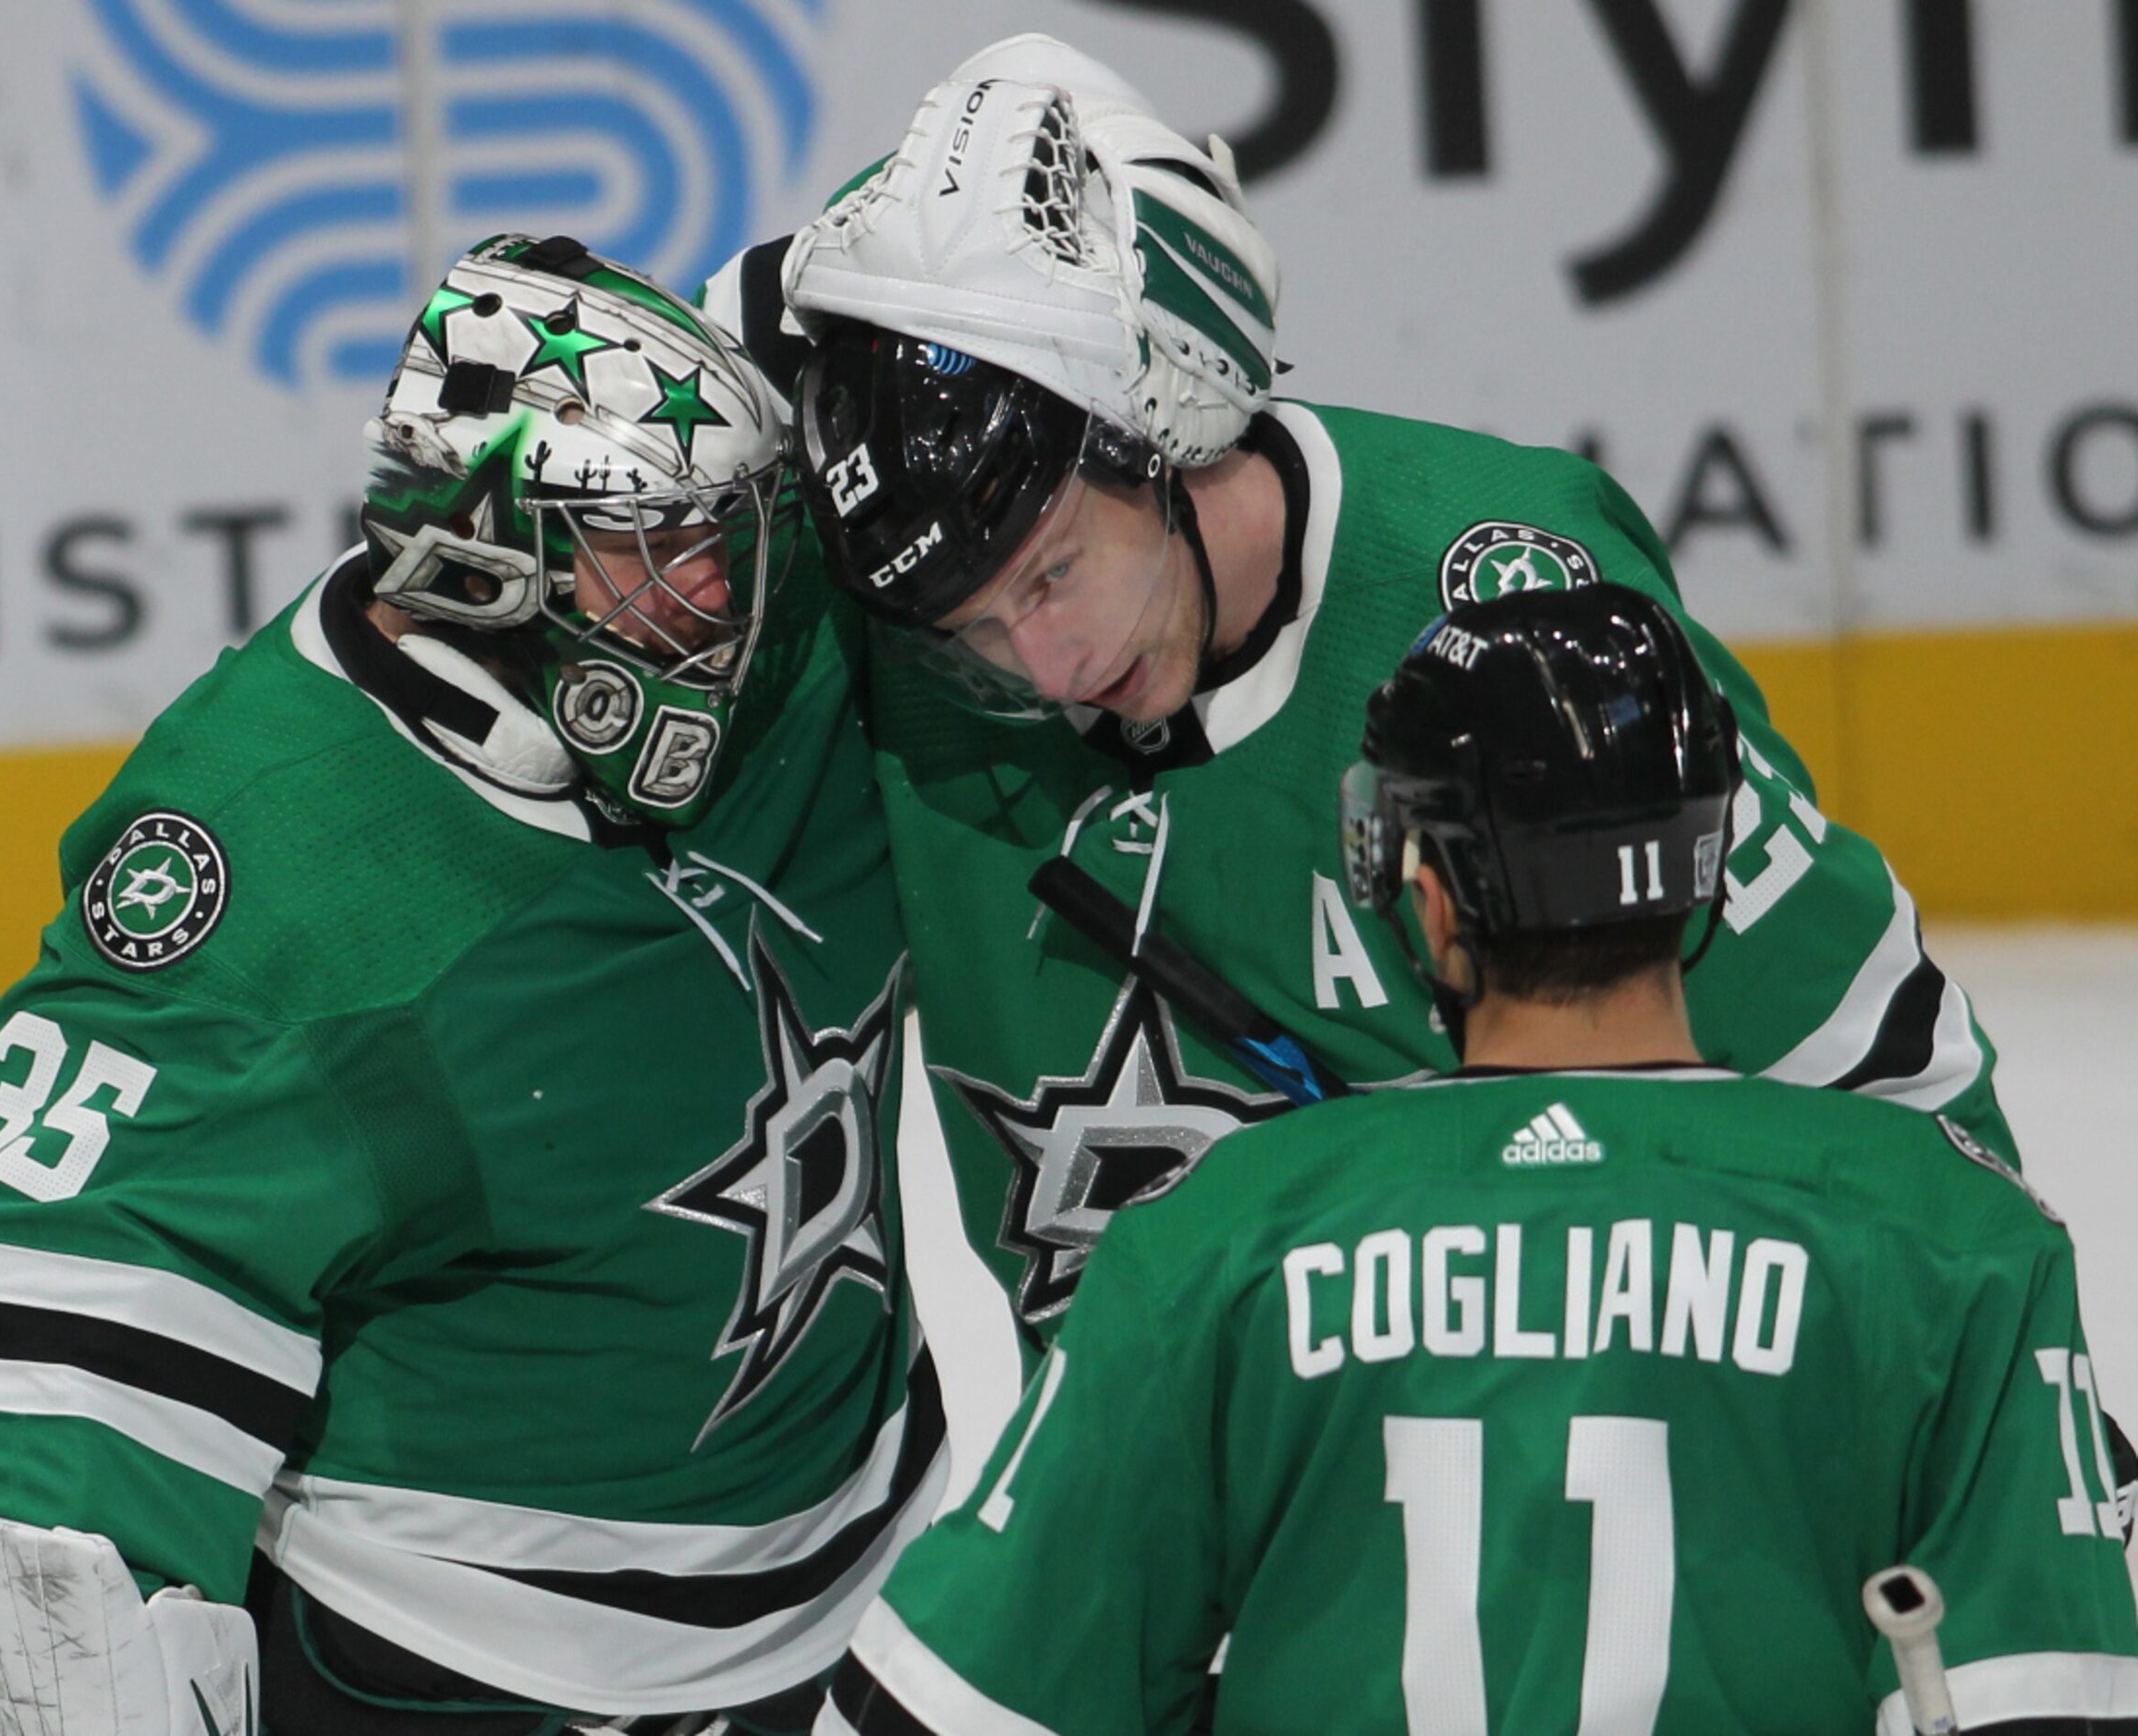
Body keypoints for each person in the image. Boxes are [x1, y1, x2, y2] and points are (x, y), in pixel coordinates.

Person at [726, 36, 2025, 1347]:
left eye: (1057, 571)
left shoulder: (1508, 624)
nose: (1045, 665)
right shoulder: (910, 622)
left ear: (1163, 412)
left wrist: (2011, 1424)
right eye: (978, 629)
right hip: (1152, 1521)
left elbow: (1882, 1073)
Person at [0, 235, 944, 1736]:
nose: (723, 593)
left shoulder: (786, 655)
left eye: (735, 533)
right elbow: (14, 1456)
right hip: (474, 1689)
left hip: (886, 1609)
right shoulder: (280, 883)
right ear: (487, 551)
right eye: (657, 548)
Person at [813, 586, 2138, 1734]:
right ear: (1709, 874)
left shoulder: (1216, 1239)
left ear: (1429, 897)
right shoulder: (1956, 1235)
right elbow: (2047, 1697)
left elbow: (956, 1703)